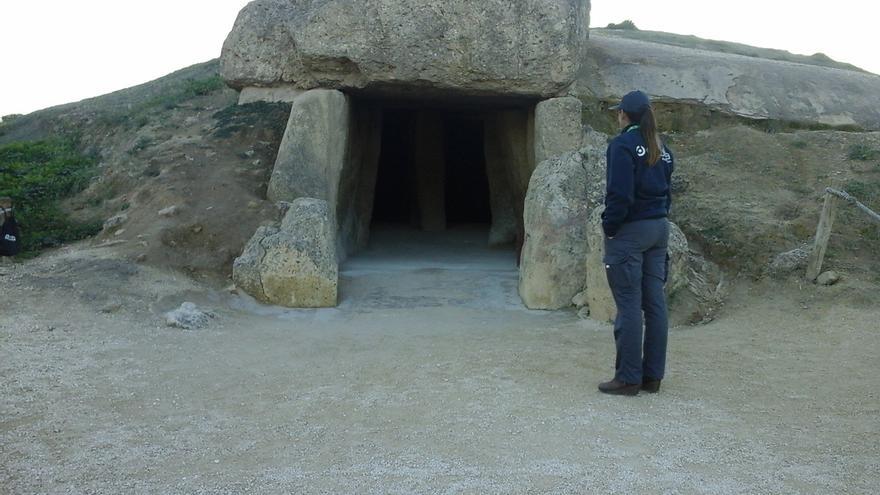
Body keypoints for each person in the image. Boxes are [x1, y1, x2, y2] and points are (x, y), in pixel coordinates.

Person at [598, 90, 674, 396]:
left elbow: (620, 194)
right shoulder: (662, 147)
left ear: (624, 115)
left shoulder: (622, 145)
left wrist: (610, 227)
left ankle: (628, 377)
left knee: (628, 304)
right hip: (659, 229)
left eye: (618, 112)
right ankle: (652, 377)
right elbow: (667, 191)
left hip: (631, 231)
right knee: (654, 304)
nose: (617, 116)